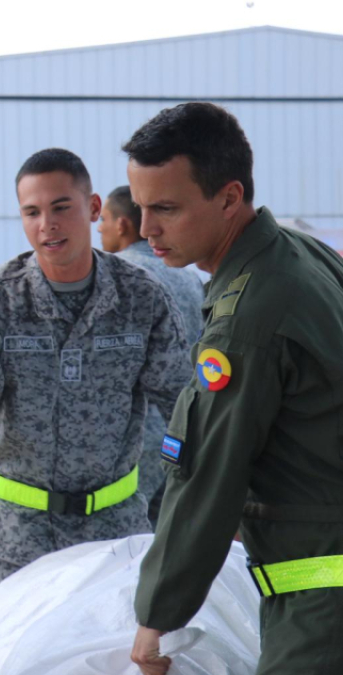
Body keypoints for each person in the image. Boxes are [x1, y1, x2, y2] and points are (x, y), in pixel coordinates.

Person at [124, 103, 343, 675]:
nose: (146, 229)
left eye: (165, 208)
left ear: (230, 198)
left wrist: (156, 616)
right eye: (139, 207)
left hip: (329, 602)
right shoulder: (305, 256)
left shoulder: (247, 317)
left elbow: (208, 470)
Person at [0, 149, 188, 592]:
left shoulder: (140, 298)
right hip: (14, 541)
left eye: (60, 208)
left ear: (93, 209)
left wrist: (216, 501)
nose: (46, 225)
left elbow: (185, 410)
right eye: (31, 212)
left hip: (115, 538)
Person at [99, 184, 205, 523]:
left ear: (122, 225)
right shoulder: (187, 277)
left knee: (125, 553)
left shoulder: (109, 276)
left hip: (133, 439)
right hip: (185, 429)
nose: (98, 229)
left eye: (103, 219)